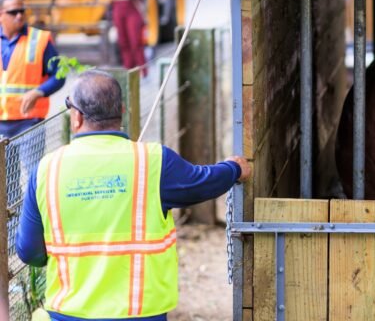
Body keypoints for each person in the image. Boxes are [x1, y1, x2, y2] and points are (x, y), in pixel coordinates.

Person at [16, 70, 252, 320]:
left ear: (76, 117)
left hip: (67, 313)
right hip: (140, 313)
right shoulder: (153, 161)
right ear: (123, 111)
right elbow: (203, 182)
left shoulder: (46, 170)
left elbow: (30, 252)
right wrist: (234, 168)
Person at [0, 0, 65, 137]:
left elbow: (59, 75)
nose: (19, 16)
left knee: (33, 162)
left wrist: (39, 92)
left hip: (29, 121)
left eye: (22, 11)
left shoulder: (39, 39)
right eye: (13, 12)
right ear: (1, 15)